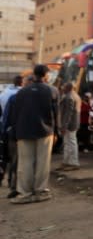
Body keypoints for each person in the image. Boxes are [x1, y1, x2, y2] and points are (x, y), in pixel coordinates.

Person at [8, 64, 58, 204]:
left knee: (25, 164)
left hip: (23, 131)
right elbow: (54, 113)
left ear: (34, 74)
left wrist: (15, 132)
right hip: (44, 130)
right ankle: (40, 192)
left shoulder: (22, 92)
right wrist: (56, 131)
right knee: (43, 163)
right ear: (46, 75)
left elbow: (15, 114)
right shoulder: (51, 91)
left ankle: (24, 194)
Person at [1, 75, 29, 199]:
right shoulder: (27, 96)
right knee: (25, 160)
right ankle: (24, 186)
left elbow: (6, 116)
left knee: (12, 159)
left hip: (12, 132)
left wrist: (4, 130)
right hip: (27, 133)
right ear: (22, 83)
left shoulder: (8, 95)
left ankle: (12, 184)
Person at [57, 82, 81, 170]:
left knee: (70, 143)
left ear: (68, 88)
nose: (62, 88)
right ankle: (66, 161)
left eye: (64, 86)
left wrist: (64, 126)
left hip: (70, 124)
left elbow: (68, 114)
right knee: (68, 142)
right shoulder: (75, 96)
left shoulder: (69, 97)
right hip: (73, 123)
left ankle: (73, 162)